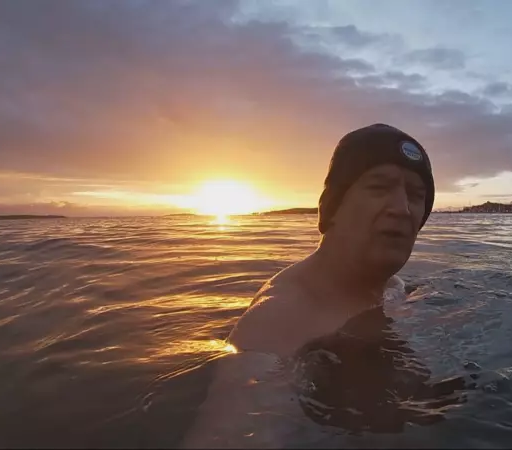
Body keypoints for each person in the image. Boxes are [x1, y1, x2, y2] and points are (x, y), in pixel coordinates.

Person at [182, 123, 437, 448]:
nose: (402, 209)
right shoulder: (280, 319)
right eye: (379, 187)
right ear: (333, 208)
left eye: (416, 196)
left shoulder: (393, 287)